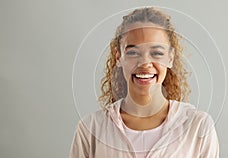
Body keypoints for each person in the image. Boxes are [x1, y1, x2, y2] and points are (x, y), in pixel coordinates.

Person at [70, 7, 219, 158]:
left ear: (170, 58)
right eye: (133, 52)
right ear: (118, 58)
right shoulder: (90, 129)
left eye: (156, 53)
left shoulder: (198, 126)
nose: (145, 63)